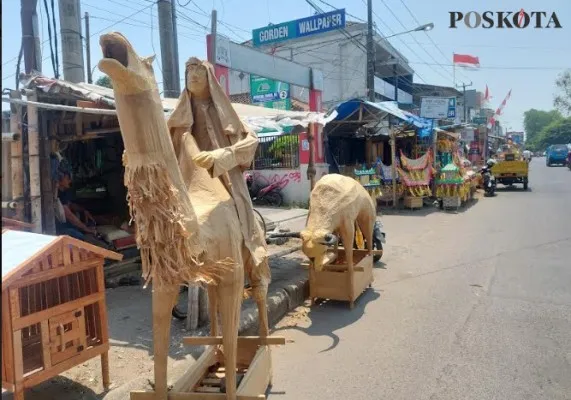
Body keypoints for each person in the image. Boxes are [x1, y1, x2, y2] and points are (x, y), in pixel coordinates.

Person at [54, 162, 97, 240]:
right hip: (57, 228)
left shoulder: (63, 191)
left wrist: (83, 210)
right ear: (60, 178)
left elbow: (70, 204)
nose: (70, 181)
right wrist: (86, 229)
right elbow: (69, 215)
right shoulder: (55, 193)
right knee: (80, 237)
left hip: (65, 224)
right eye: (67, 178)